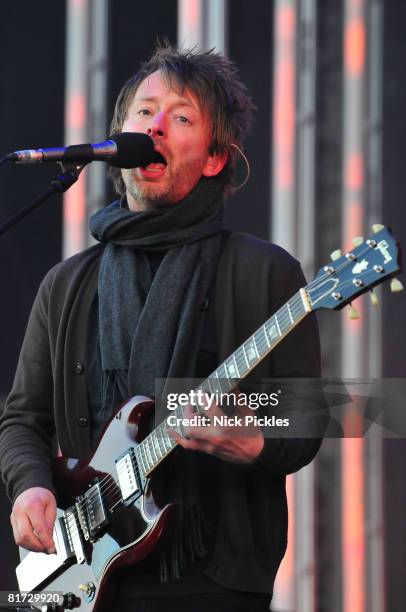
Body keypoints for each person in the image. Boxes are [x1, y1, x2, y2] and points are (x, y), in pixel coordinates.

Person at [0, 44, 327, 612]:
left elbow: (311, 412)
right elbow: (24, 418)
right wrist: (30, 485)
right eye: (143, 113)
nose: (155, 127)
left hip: (214, 577)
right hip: (84, 571)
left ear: (213, 158)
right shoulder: (68, 282)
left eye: (181, 118)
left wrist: (250, 439)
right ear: (116, 141)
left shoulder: (264, 271)